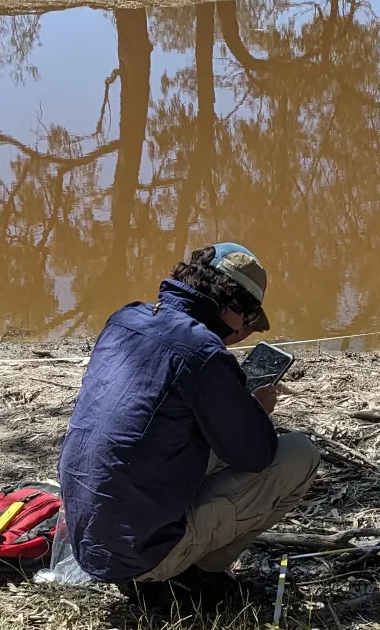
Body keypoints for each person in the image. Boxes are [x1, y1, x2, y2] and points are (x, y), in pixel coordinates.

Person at [58, 243, 321, 609]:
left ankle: (163, 562)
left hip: (86, 537)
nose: (246, 333)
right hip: (138, 556)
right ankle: (193, 575)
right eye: (247, 321)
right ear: (229, 306)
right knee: (300, 454)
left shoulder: (125, 318)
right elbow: (257, 454)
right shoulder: (204, 353)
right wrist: (259, 411)